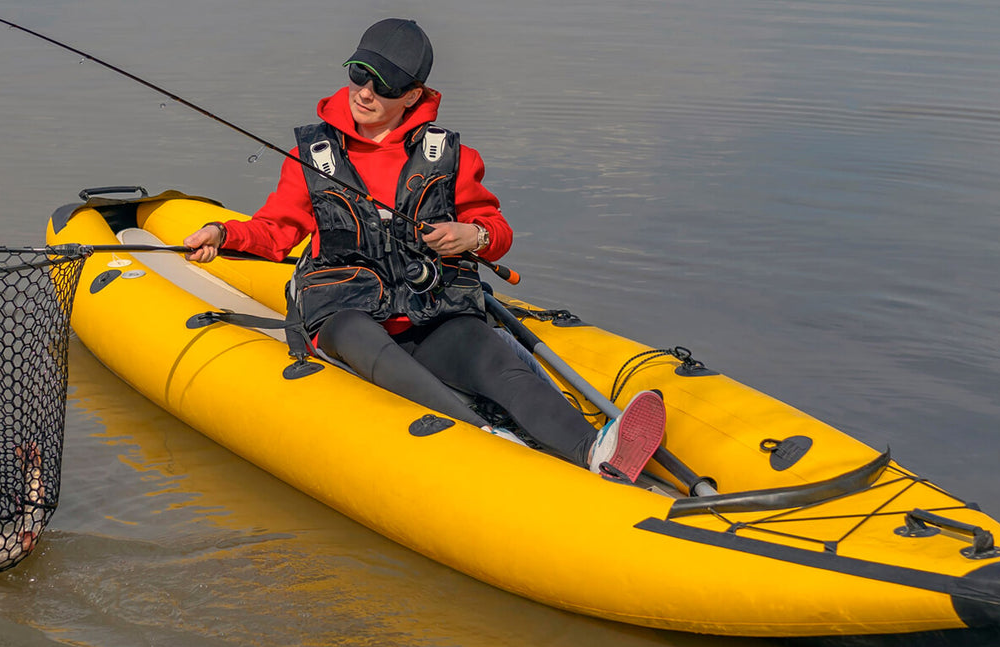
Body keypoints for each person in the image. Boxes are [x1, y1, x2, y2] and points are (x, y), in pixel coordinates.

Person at [183, 18, 664, 482]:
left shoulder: (453, 157)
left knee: (488, 353)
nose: (365, 93)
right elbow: (276, 230)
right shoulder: (313, 156)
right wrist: (223, 234)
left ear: (412, 95)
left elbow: (496, 229)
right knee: (356, 333)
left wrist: (471, 236)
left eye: (384, 85)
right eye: (358, 74)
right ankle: (488, 440)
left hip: (429, 313)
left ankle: (593, 451)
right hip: (343, 313)